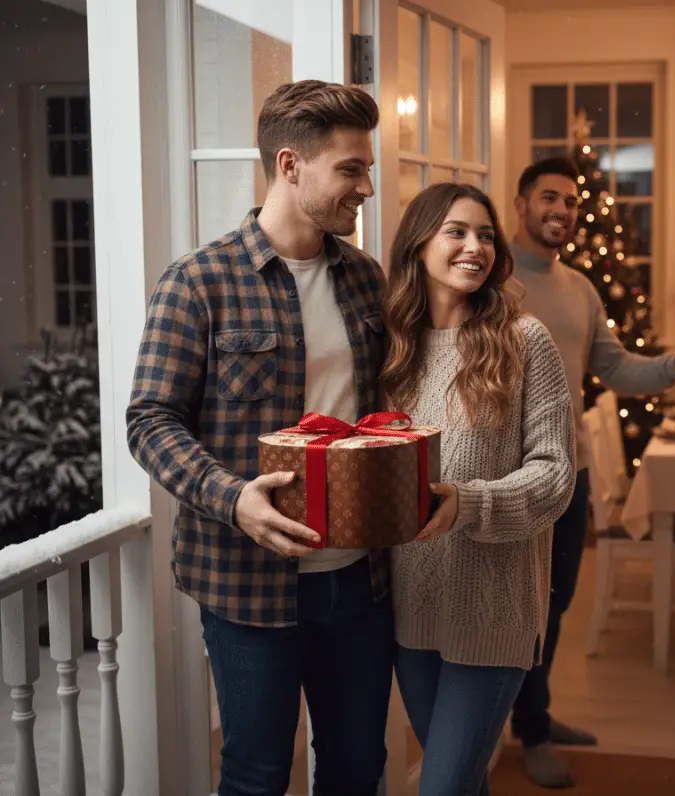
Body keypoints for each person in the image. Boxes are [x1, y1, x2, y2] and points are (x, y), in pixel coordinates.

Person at [126, 80, 394, 796]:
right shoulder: (197, 283)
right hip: (246, 584)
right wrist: (232, 495)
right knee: (256, 774)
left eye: (365, 168)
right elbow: (149, 420)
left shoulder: (367, 281)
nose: (366, 187)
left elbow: (385, 410)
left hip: (359, 580)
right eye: (350, 169)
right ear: (289, 165)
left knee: (358, 768)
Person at [506, 157, 675, 788]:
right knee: (519, 611)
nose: (561, 210)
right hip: (512, 480)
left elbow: (611, 365)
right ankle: (527, 727)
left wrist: (669, 370)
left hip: (569, 475)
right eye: (549, 198)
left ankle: (535, 717)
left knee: (555, 606)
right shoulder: (492, 285)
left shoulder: (579, 287)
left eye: (570, 202)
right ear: (520, 205)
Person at [381, 182, 577, 796]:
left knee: (440, 788)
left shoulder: (524, 341)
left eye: (486, 235)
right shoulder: (393, 350)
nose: (476, 247)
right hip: (411, 611)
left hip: (493, 612)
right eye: (457, 232)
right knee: (462, 785)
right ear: (418, 245)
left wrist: (471, 502)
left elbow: (554, 476)